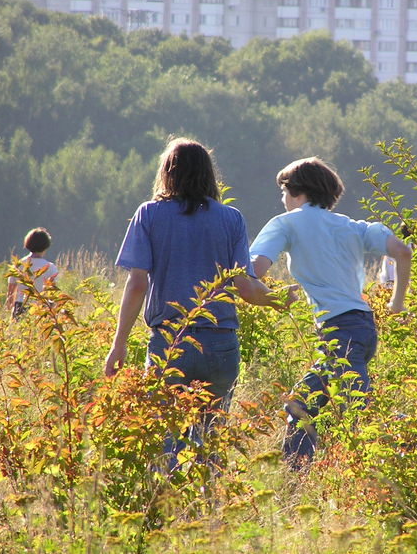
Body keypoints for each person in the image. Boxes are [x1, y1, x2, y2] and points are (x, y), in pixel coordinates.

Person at [103, 137, 297, 469]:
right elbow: (245, 289)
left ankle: (166, 509)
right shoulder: (231, 219)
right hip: (220, 342)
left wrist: (118, 344)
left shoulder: (149, 215)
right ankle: (213, 512)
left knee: (166, 440)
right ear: (209, 174)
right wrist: (277, 299)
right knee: (212, 440)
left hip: (169, 342)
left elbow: (137, 284)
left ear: (167, 172)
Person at [249, 157, 412, 468]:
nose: (282, 200)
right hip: (362, 329)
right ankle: (309, 479)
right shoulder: (351, 226)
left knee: (350, 414)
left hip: (340, 333)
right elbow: (403, 251)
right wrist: (397, 303)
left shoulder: (286, 223)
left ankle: (408, 450)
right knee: (318, 406)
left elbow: (253, 268)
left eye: (283, 193)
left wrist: (268, 295)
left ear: (294, 191)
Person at [6, 227, 59, 319]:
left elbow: (10, 294)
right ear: (46, 245)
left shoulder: (18, 266)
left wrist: (11, 313)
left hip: (20, 306)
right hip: (42, 308)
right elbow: (52, 295)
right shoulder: (51, 268)